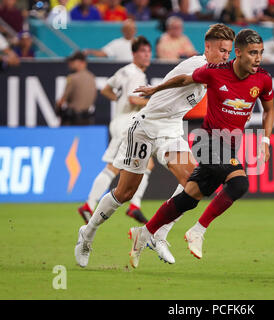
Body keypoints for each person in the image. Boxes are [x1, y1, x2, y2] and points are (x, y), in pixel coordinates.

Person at [74, 23, 236, 268]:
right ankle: (87, 234)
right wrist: (156, 89)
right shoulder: (197, 66)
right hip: (144, 127)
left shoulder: (214, 72)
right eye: (222, 50)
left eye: (229, 51)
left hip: (170, 130)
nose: (226, 56)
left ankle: (159, 234)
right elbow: (185, 79)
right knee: (124, 193)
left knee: (195, 184)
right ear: (208, 47)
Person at [128, 28, 274, 267]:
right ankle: (198, 230)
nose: (258, 58)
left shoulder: (263, 79)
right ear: (238, 53)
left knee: (190, 197)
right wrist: (155, 89)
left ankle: (143, 233)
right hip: (205, 140)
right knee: (239, 183)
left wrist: (265, 140)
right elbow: (184, 80)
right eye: (252, 53)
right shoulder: (215, 72)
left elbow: (269, 109)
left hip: (228, 146)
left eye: (260, 53)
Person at [77, 36, 153, 225]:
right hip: (127, 124)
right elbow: (134, 100)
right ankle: (89, 204)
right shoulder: (136, 74)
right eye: (143, 52)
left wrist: (118, 100)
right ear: (134, 54)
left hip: (120, 121)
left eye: (148, 51)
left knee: (147, 162)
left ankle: (134, 205)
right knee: (114, 167)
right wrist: (152, 102)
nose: (147, 55)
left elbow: (106, 90)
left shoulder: (124, 71)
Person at [56, 51, 97, 125]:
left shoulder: (72, 78)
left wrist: (58, 109)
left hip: (72, 120)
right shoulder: (92, 77)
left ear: (80, 62)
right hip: (87, 119)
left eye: (72, 61)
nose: (70, 64)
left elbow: (63, 100)